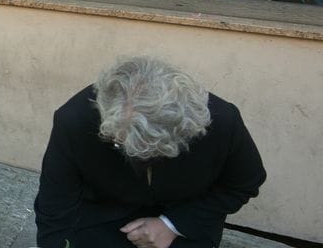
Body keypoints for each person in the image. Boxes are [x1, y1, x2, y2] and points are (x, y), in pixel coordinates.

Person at [34, 56, 267, 248]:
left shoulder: (223, 121)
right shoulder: (74, 120)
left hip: (187, 218)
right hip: (102, 218)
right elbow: (55, 205)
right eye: (121, 145)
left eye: (156, 153)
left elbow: (244, 183)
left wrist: (172, 224)